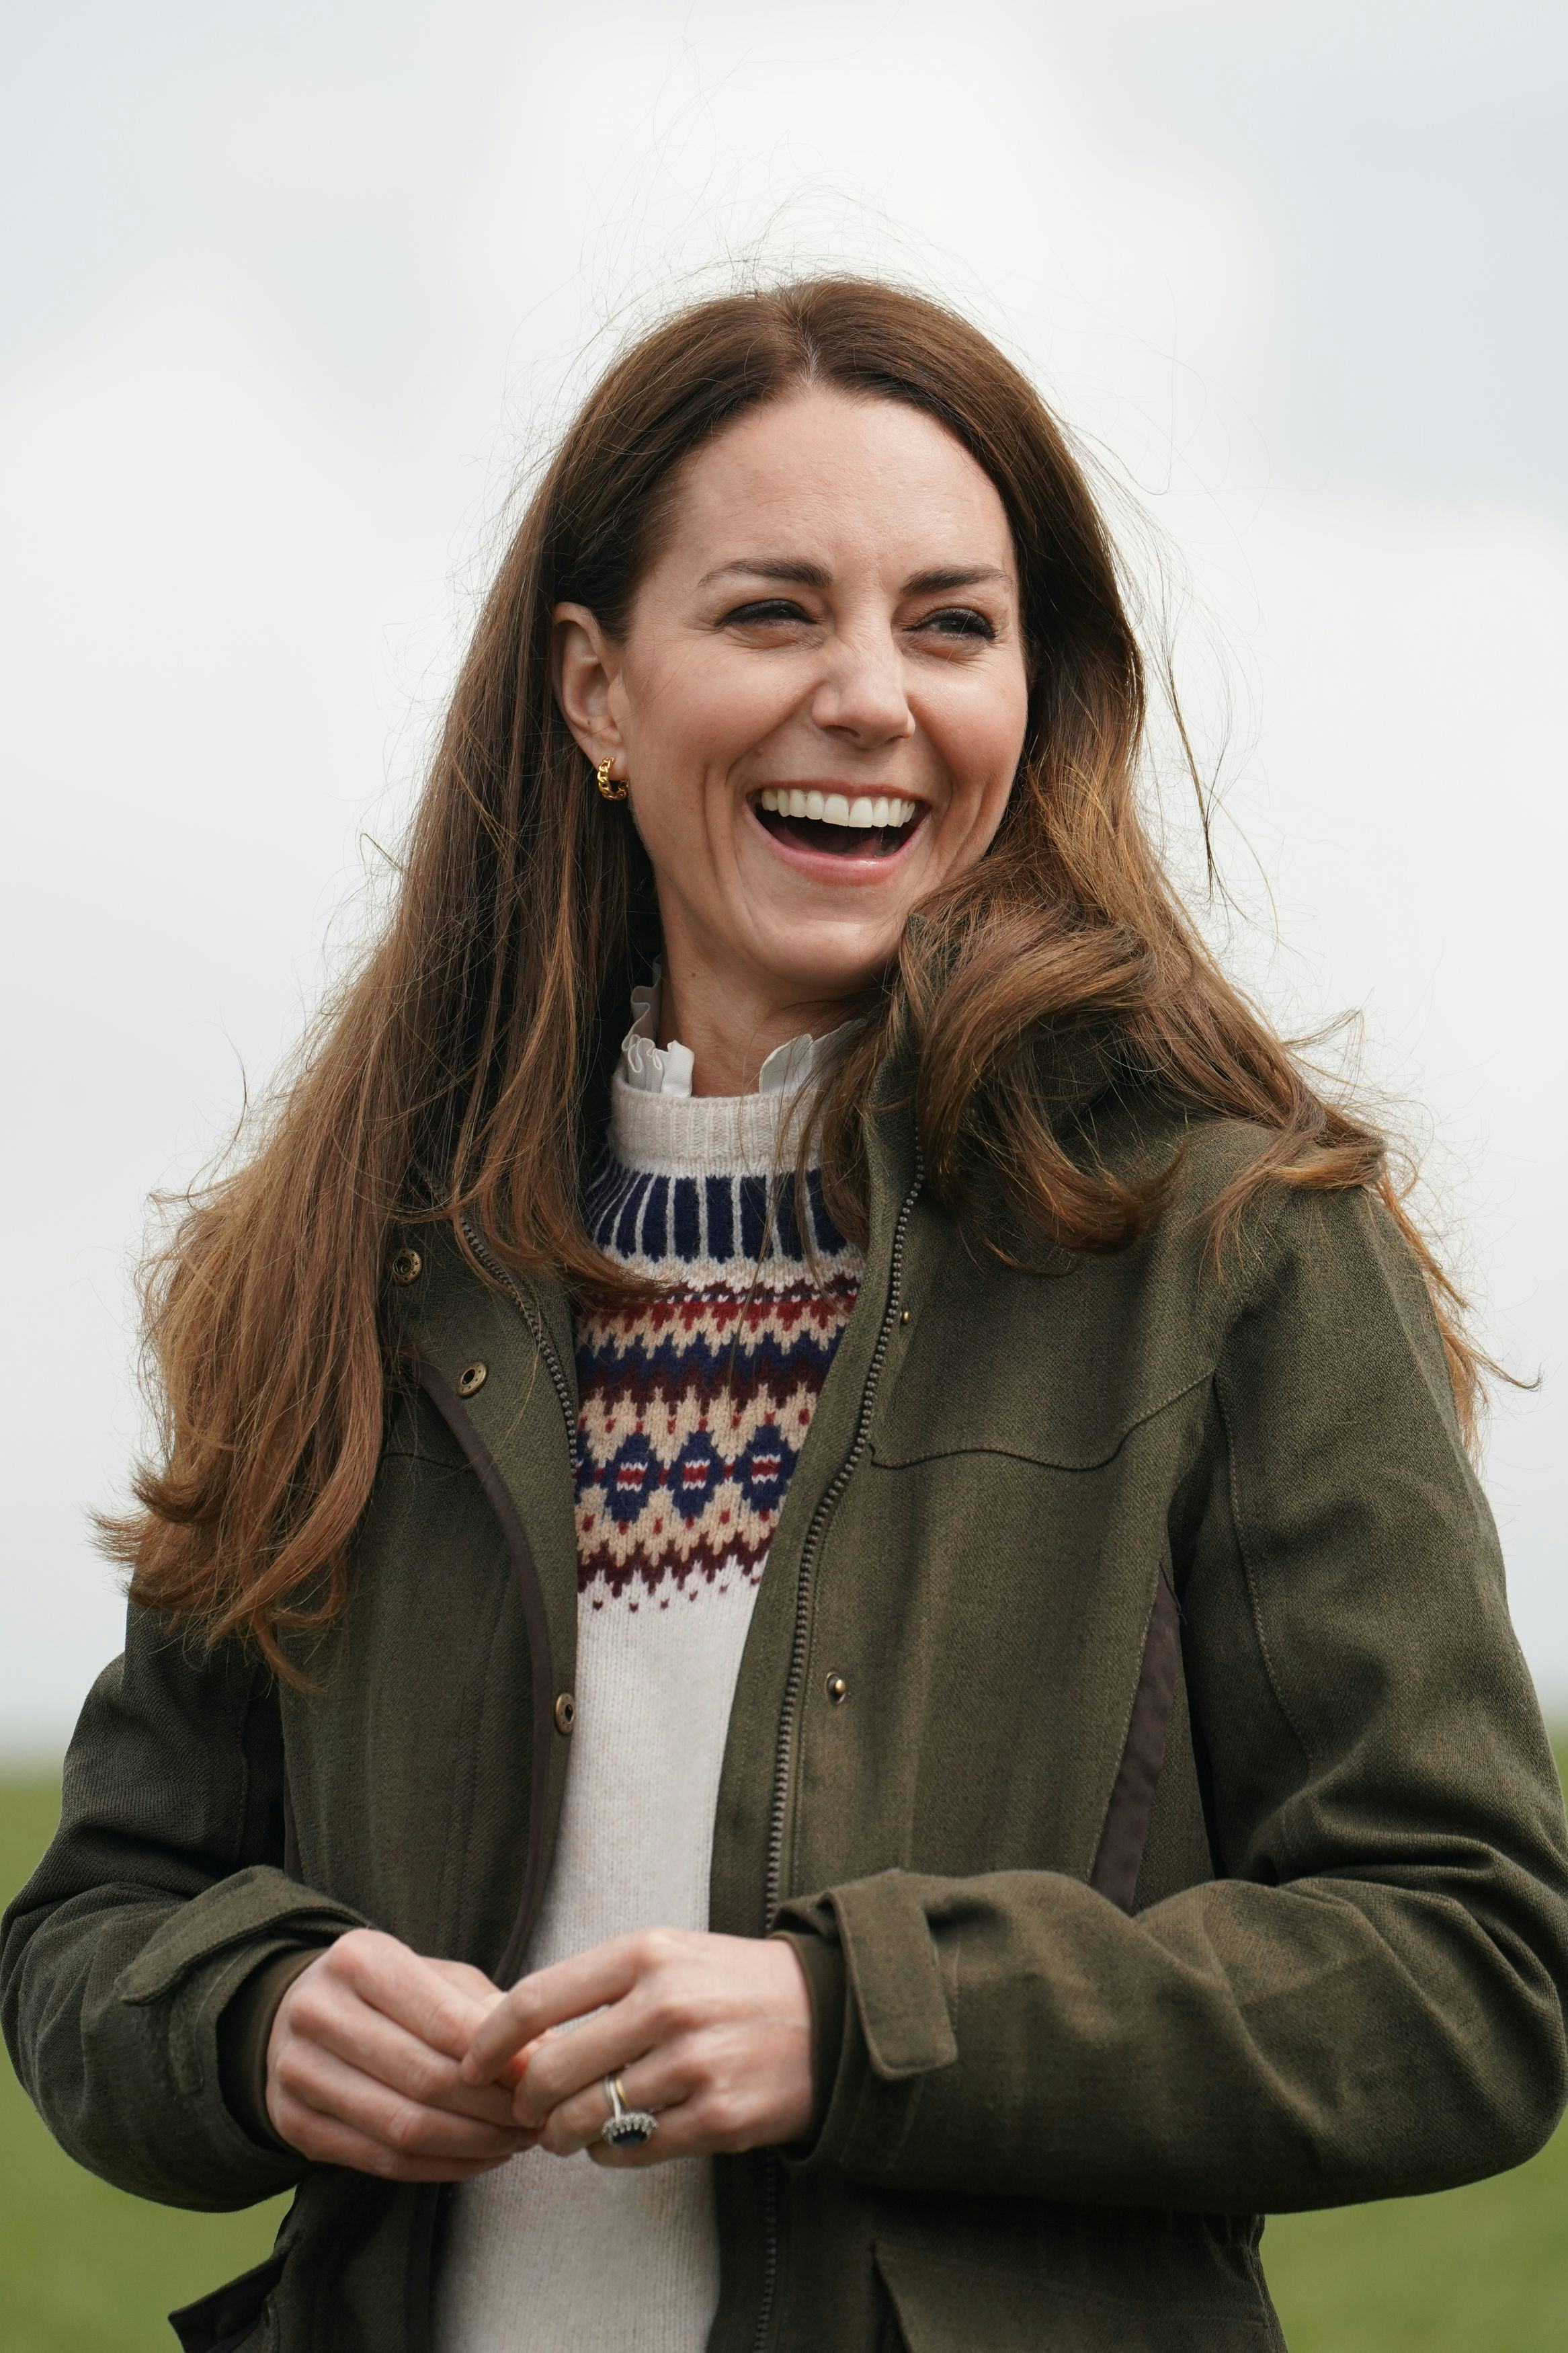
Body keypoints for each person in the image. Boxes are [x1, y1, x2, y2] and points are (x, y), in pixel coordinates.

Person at [4, 276, 1566, 2353]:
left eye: (950, 623)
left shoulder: (1235, 1241)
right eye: (770, 614)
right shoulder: (362, 1263)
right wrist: (248, 2012)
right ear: (597, 691)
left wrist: (860, 2018)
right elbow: (93, 1925)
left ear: (1032, 690)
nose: (872, 697)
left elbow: (1472, 1970)